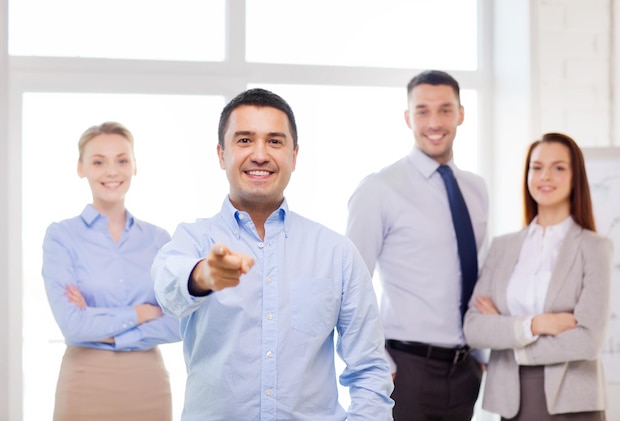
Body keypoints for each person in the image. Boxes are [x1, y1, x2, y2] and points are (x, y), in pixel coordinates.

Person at [152, 87, 394, 420]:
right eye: (244, 140)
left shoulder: (336, 253)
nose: (260, 154)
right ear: (221, 154)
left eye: (275, 141)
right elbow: (168, 288)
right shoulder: (193, 239)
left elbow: (369, 367)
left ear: (294, 155)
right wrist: (202, 276)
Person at [346, 70, 488, 420]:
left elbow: (476, 272)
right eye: (422, 111)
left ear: (461, 114)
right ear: (408, 118)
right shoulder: (380, 188)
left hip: (465, 370)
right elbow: (351, 284)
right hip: (407, 370)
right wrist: (379, 364)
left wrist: (480, 356)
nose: (434, 122)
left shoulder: (476, 189)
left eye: (445, 109)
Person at [463, 132, 612, 421]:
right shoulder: (502, 247)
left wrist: (512, 342)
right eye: (537, 167)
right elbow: (474, 328)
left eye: (559, 167)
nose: (546, 176)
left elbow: (589, 340)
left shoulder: (594, 248)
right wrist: (537, 324)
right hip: (512, 401)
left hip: (574, 401)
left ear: (575, 176)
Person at [42, 122, 181, 421]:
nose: (112, 171)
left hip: (149, 382)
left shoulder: (158, 239)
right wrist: (142, 312)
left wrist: (103, 329)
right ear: (81, 168)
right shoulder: (61, 236)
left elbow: (180, 323)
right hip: (85, 380)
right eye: (98, 161)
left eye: (122, 160)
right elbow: (73, 326)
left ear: (134, 166)